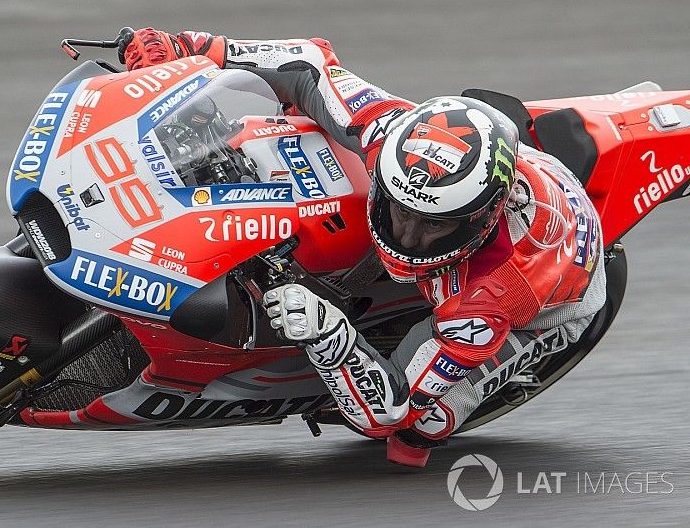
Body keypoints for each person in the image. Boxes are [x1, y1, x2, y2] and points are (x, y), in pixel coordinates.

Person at [120, 28, 606, 466]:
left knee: (419, 427)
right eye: (399, 211)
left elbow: (388, 412)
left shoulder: (492, 299)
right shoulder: (390, 131)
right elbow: (308, 64)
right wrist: (188, 51)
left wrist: (331, 337)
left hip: (558, 304)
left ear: (478, 220)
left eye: (432, 227)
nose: (408, 237)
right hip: (512, 176)